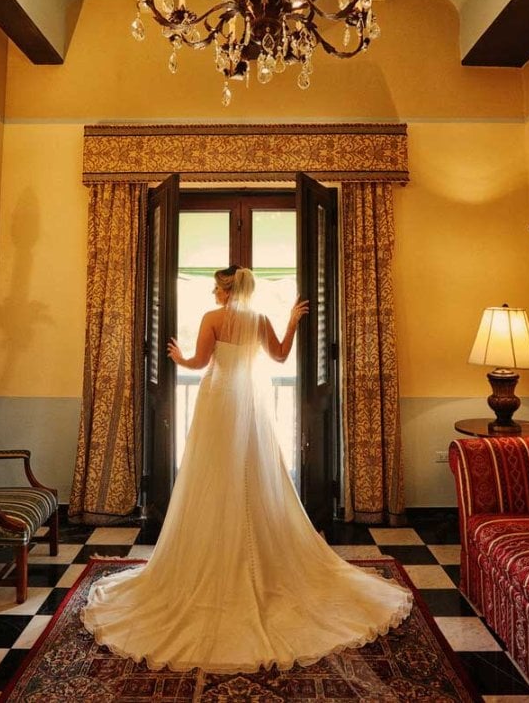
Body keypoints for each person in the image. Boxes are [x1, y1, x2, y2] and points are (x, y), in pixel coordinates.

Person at [82, 266, 412, 673]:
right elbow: (279, 355)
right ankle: (255, 550)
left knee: (212, 476)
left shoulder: (212, 318)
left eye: (216, 288)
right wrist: (291, 323)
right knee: (254, 476)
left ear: (224, 290)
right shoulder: (259, 320)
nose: (214, 293)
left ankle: (215, 553)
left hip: (219, 403)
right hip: (251, 408)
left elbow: (201, 361)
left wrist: (177, 357)